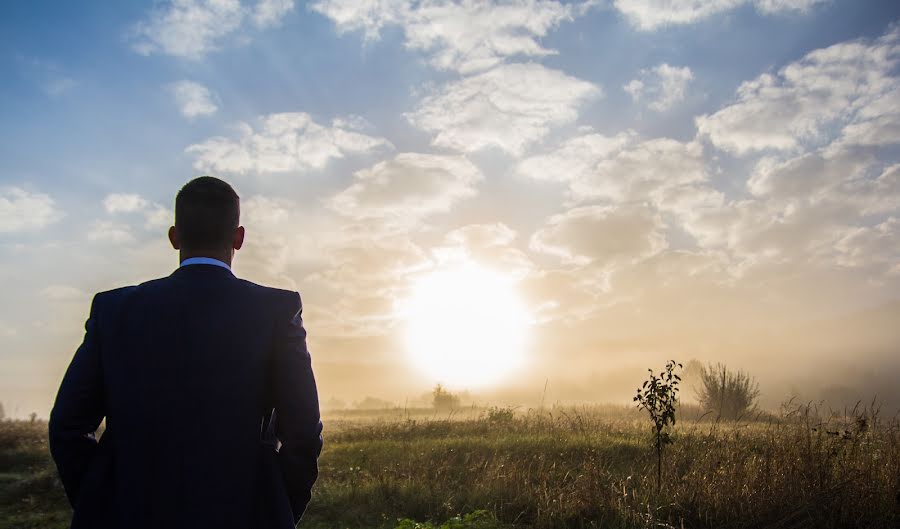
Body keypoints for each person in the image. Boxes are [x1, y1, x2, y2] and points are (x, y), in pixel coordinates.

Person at [49, 176, 322, 529]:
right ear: (239, 237)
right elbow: (303, 433)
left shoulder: (114, 310)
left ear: (174, 236)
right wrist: (275, 508)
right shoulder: (276, 310)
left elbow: (68, 427)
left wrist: (101, 500)